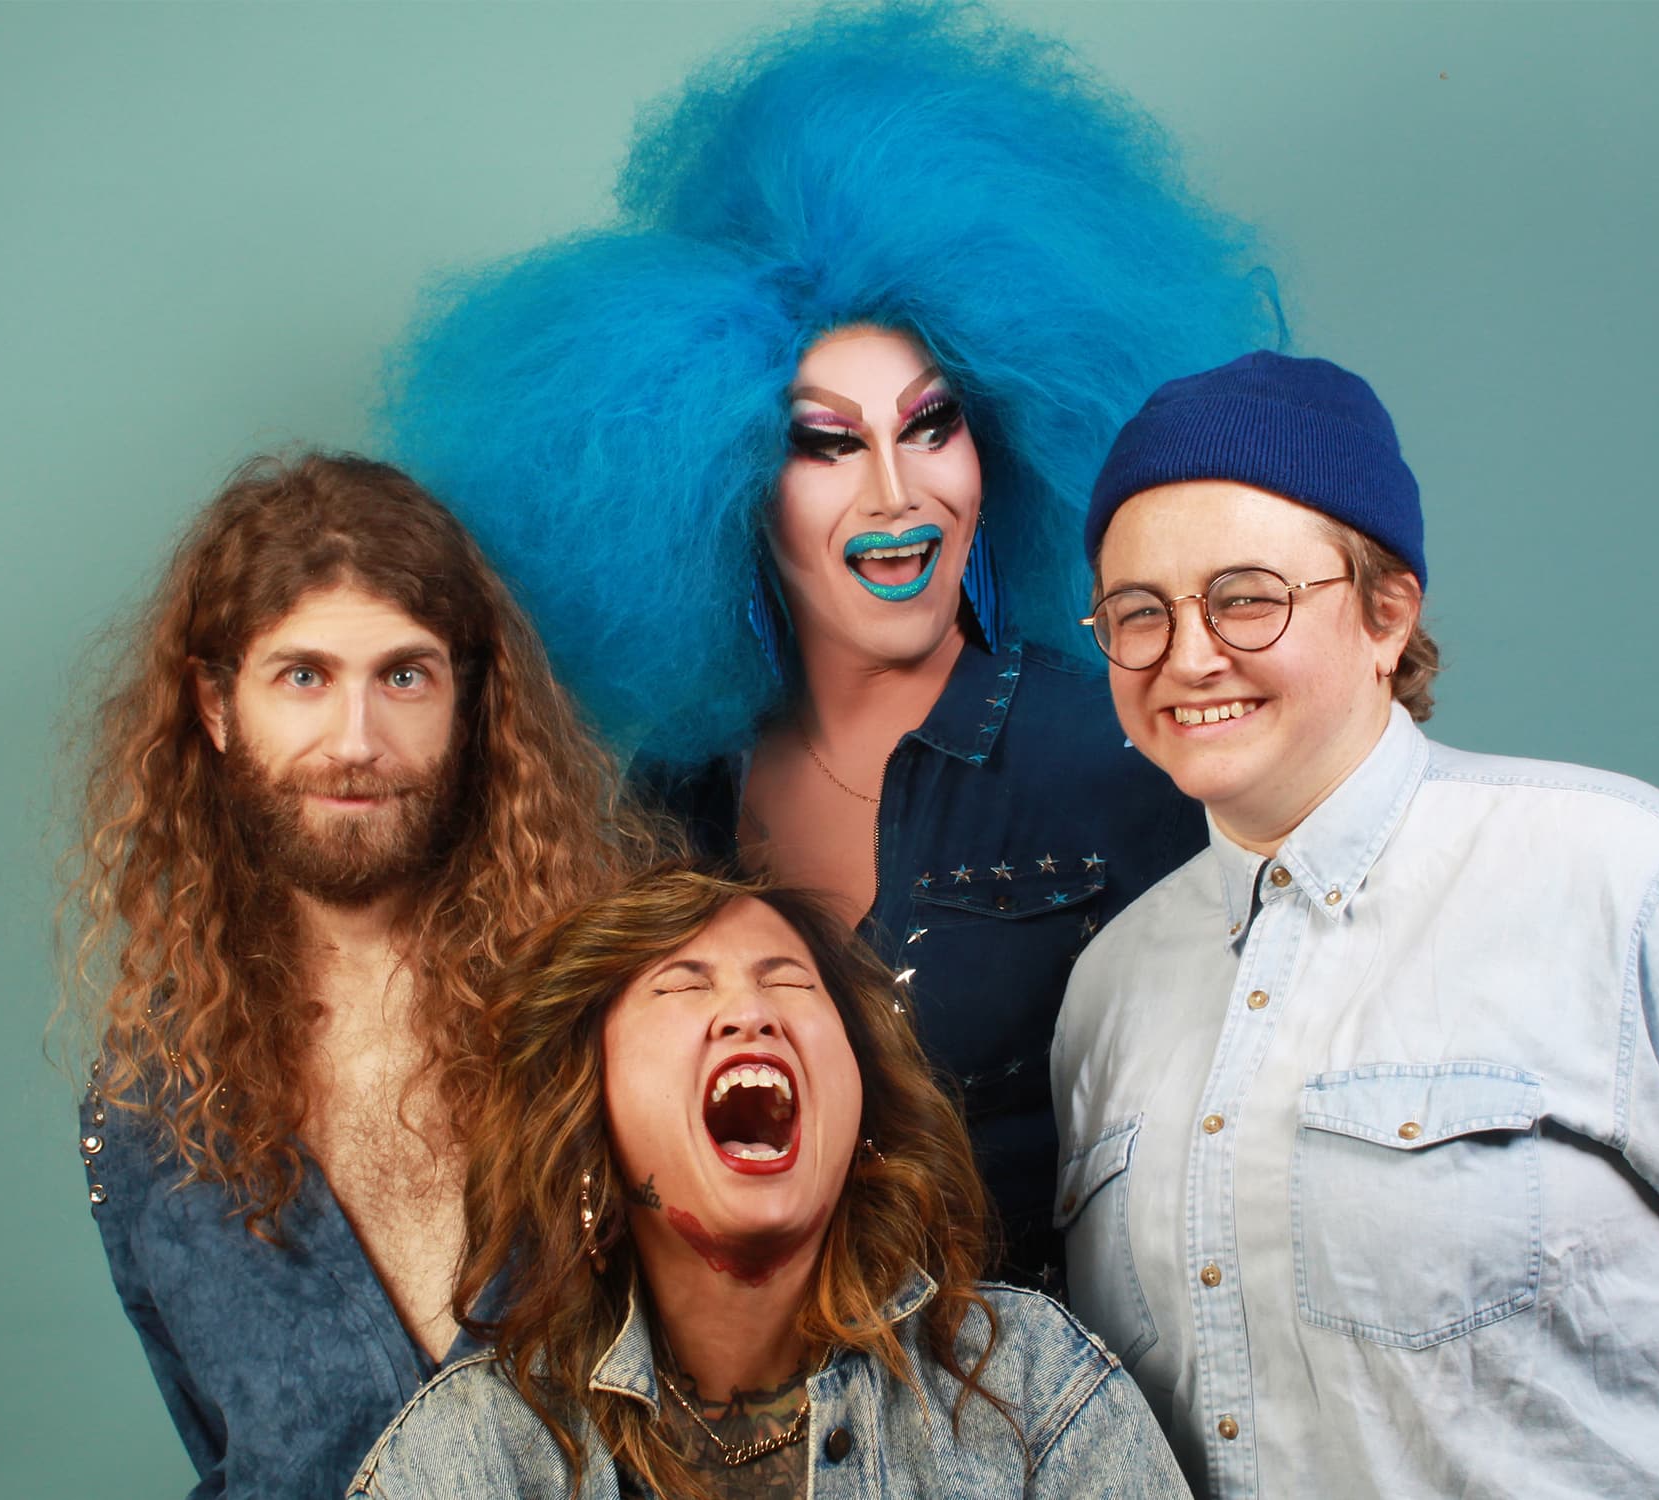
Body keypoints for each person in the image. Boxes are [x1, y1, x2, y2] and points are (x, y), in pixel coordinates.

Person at [382, 1, 1278, 1285]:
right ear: (726, 483)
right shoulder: (670, 803)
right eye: (826, 442)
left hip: (1065, 1388)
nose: (896, 493)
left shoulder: (1124, 756)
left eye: (930, 425)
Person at [1053, 351, 1659, 1497]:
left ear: (1385, 616)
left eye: (1246, 597)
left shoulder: (1643, 891)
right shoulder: (1107, 992)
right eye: (1136, 612)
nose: (1188, 655)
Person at [59, 452, 654, 1498]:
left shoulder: (624, 1008)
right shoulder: (150, 1109)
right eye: (304, 677)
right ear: (214, 705)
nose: (356, 742)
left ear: (469, 702)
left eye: (404, 676)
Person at [349, 866, 1190, 1499]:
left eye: (788, 982)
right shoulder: (472, 1457)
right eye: (683, 987)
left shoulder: (1030, 1388)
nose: (751, 1012)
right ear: (588, 1121)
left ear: (861, 1111)